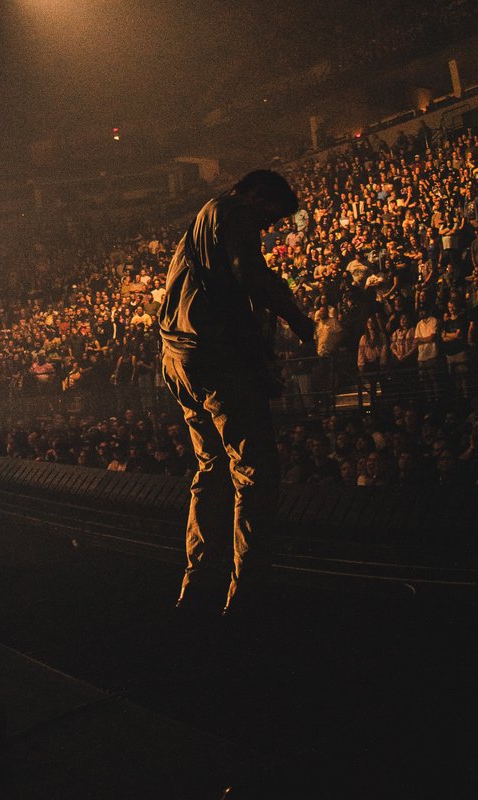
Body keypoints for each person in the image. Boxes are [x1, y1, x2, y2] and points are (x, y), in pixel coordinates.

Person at [158, 169, 315, 619]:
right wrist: (296, 318)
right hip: (215, 359)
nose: (266, 230)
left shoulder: (198, 228)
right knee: (255, 474)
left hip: (179, 356)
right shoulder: (235, 210)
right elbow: (250, 274)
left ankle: (198, 586)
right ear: (258, 196)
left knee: (211, 472)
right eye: (271, 219)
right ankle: (247, 597)